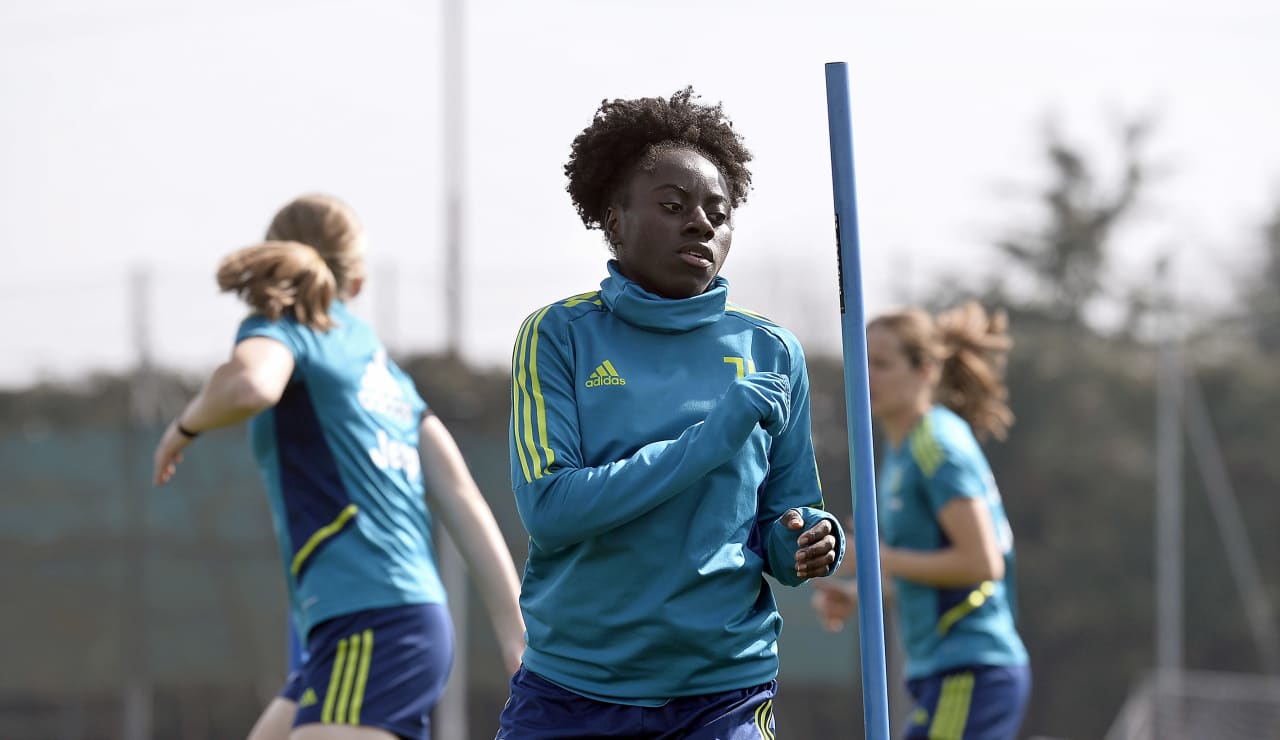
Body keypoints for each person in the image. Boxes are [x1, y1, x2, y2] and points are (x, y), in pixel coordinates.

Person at [496, 87, 846, 740]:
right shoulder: (559, 335)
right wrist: (712, 436)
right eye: (672, 205)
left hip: (722, 693)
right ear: (614, 217)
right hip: (576, 689)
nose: (700, 224)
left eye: (719, 212)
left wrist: (807, 541)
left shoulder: (770, 352)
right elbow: (552, 508)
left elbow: (783, 519)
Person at [152, 193, 526, 740]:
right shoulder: (378, 367)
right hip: (388, 622)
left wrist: (182, 426)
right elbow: (460, 491)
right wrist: (512, 627)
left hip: (371, 626)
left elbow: (252, 382)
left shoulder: (287, 328)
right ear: (356, 283)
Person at [811, 302, 1031, 740]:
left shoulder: (936, 446)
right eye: (859, 361)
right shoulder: (902, 450)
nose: (865, 375)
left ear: (926, 369)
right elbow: (929, 570)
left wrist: (876, 557)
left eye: (882, 364)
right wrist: (859, 593)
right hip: (946, 672)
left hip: (972, 668)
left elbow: (982, 563)